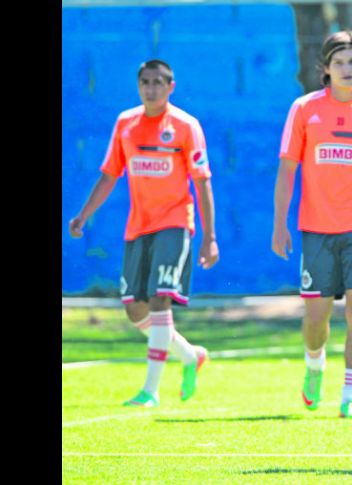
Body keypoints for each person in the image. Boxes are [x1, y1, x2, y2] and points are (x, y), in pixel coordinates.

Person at [68, 59, 218, 407]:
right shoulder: (126, 124)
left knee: (159, 298)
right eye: (145, 82)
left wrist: (209, 237)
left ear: (171, 86)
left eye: (158, 82)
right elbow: (110, 174)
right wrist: (83, 216)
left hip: (175, 223)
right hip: (138, 226)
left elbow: (202, 182)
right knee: (135, 309)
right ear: (138, 86)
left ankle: (150, 391)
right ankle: (189, 355)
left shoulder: (185, 126)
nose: (151, 89)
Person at [271, 30, 352, 420]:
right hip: (317, 230)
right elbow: (287, 169)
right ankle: (314, 362)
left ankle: (351, 395)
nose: (346, 68)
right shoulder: (305, 109)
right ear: (325, 69)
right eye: (338, 62)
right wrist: (280, 225)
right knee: (316, 318)